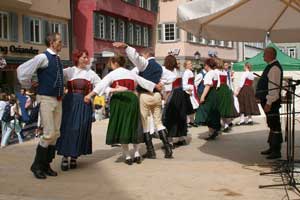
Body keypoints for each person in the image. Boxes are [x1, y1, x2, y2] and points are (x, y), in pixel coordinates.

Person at [85, 55, 159, 165]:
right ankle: (137, 153)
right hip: (132, 99)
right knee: (133, 125)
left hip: (119, 101)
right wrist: (156, 86)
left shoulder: (112, 74)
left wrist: (90, 95)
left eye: (111, 64)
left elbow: (101, 86)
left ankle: (128, 156)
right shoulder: (130, 73)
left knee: (122, 126)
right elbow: (144, 82)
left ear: (115, 63)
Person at [113, 42, 173, 159]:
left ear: (146, 54)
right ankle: (168, 148)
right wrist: (162, 83)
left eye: (142, 54)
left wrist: (126, 47)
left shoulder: (144, 64)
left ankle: (151, 151)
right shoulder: (160, 67)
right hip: (157, 96)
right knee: (159, 123)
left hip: (145, 95)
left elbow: (135, 57)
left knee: (145, 124)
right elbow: (172, 76)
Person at [17, 32, 64, 179]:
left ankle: (46, 165)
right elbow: (22, 70)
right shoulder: (43, 57)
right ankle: (36, 166)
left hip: (58, 99)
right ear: (52, 43)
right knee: (49, 133)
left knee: (55, 134)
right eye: (59, 41)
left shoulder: (57, 58)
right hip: (46, 98)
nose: (61, 44)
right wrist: (28, 84)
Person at [56, 49, 101, 170]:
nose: (86, 59)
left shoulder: (90, 73)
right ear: (77, 58)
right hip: (69, 103)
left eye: (87, 57)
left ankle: (74, 156)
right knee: (68, 129)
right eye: (84, 57)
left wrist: (90, 95)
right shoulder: (69, 71)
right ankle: (65, 156)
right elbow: (55, 74)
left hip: (84, 103)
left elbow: (101, 85)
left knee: (80, 128)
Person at [256, 47, 283, 159]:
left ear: (272, 55)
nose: (263, 56)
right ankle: (272, 147)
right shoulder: (271, 66)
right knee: (271, 124)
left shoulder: (274, 68)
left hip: (271, 102)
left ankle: (276, 151)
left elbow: (273, 88)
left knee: (274, 124)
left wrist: (269, 102)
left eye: (265, 54)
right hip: (268, 101)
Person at [162, 55, 189, 147]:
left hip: (172, 94)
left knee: (170, 117)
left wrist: (165, 98)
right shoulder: (178, 71)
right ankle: (181, 138)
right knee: (180, 116)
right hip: (181, 94)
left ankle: (170, 141)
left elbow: (167, 87)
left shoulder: (165, 72)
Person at [198, 58, 221, 140]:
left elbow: (207, 86)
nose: (204, 66)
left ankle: (211, 132)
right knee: (214, 112)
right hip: (214, 93)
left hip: (210, 94)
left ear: (207, 65)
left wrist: (202, 97)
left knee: (208, 112)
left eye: (205, 65)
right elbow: (216, 84)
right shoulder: (215, 72)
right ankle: (215, 130)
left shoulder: (209, 74)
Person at [215, 59, 238, 132]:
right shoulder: (225, 72)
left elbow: (217, 83)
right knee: (224, 108)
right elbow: (228, 83)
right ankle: (226, 125)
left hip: (220, 90)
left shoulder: (216, 71)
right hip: (226, 89)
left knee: (220, 108)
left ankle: (224, 125)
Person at [182, 60, 199, 127]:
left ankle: (191, 121)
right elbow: (184, 84)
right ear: (186, 66)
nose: (191, 64)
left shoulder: (190, 72)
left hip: (192, 90)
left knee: (193, 107)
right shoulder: (186, 73)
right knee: (189, 107)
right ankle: (187, 122)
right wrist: (188, 90)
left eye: (191, 63)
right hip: (189, 91)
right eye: (189, 64)